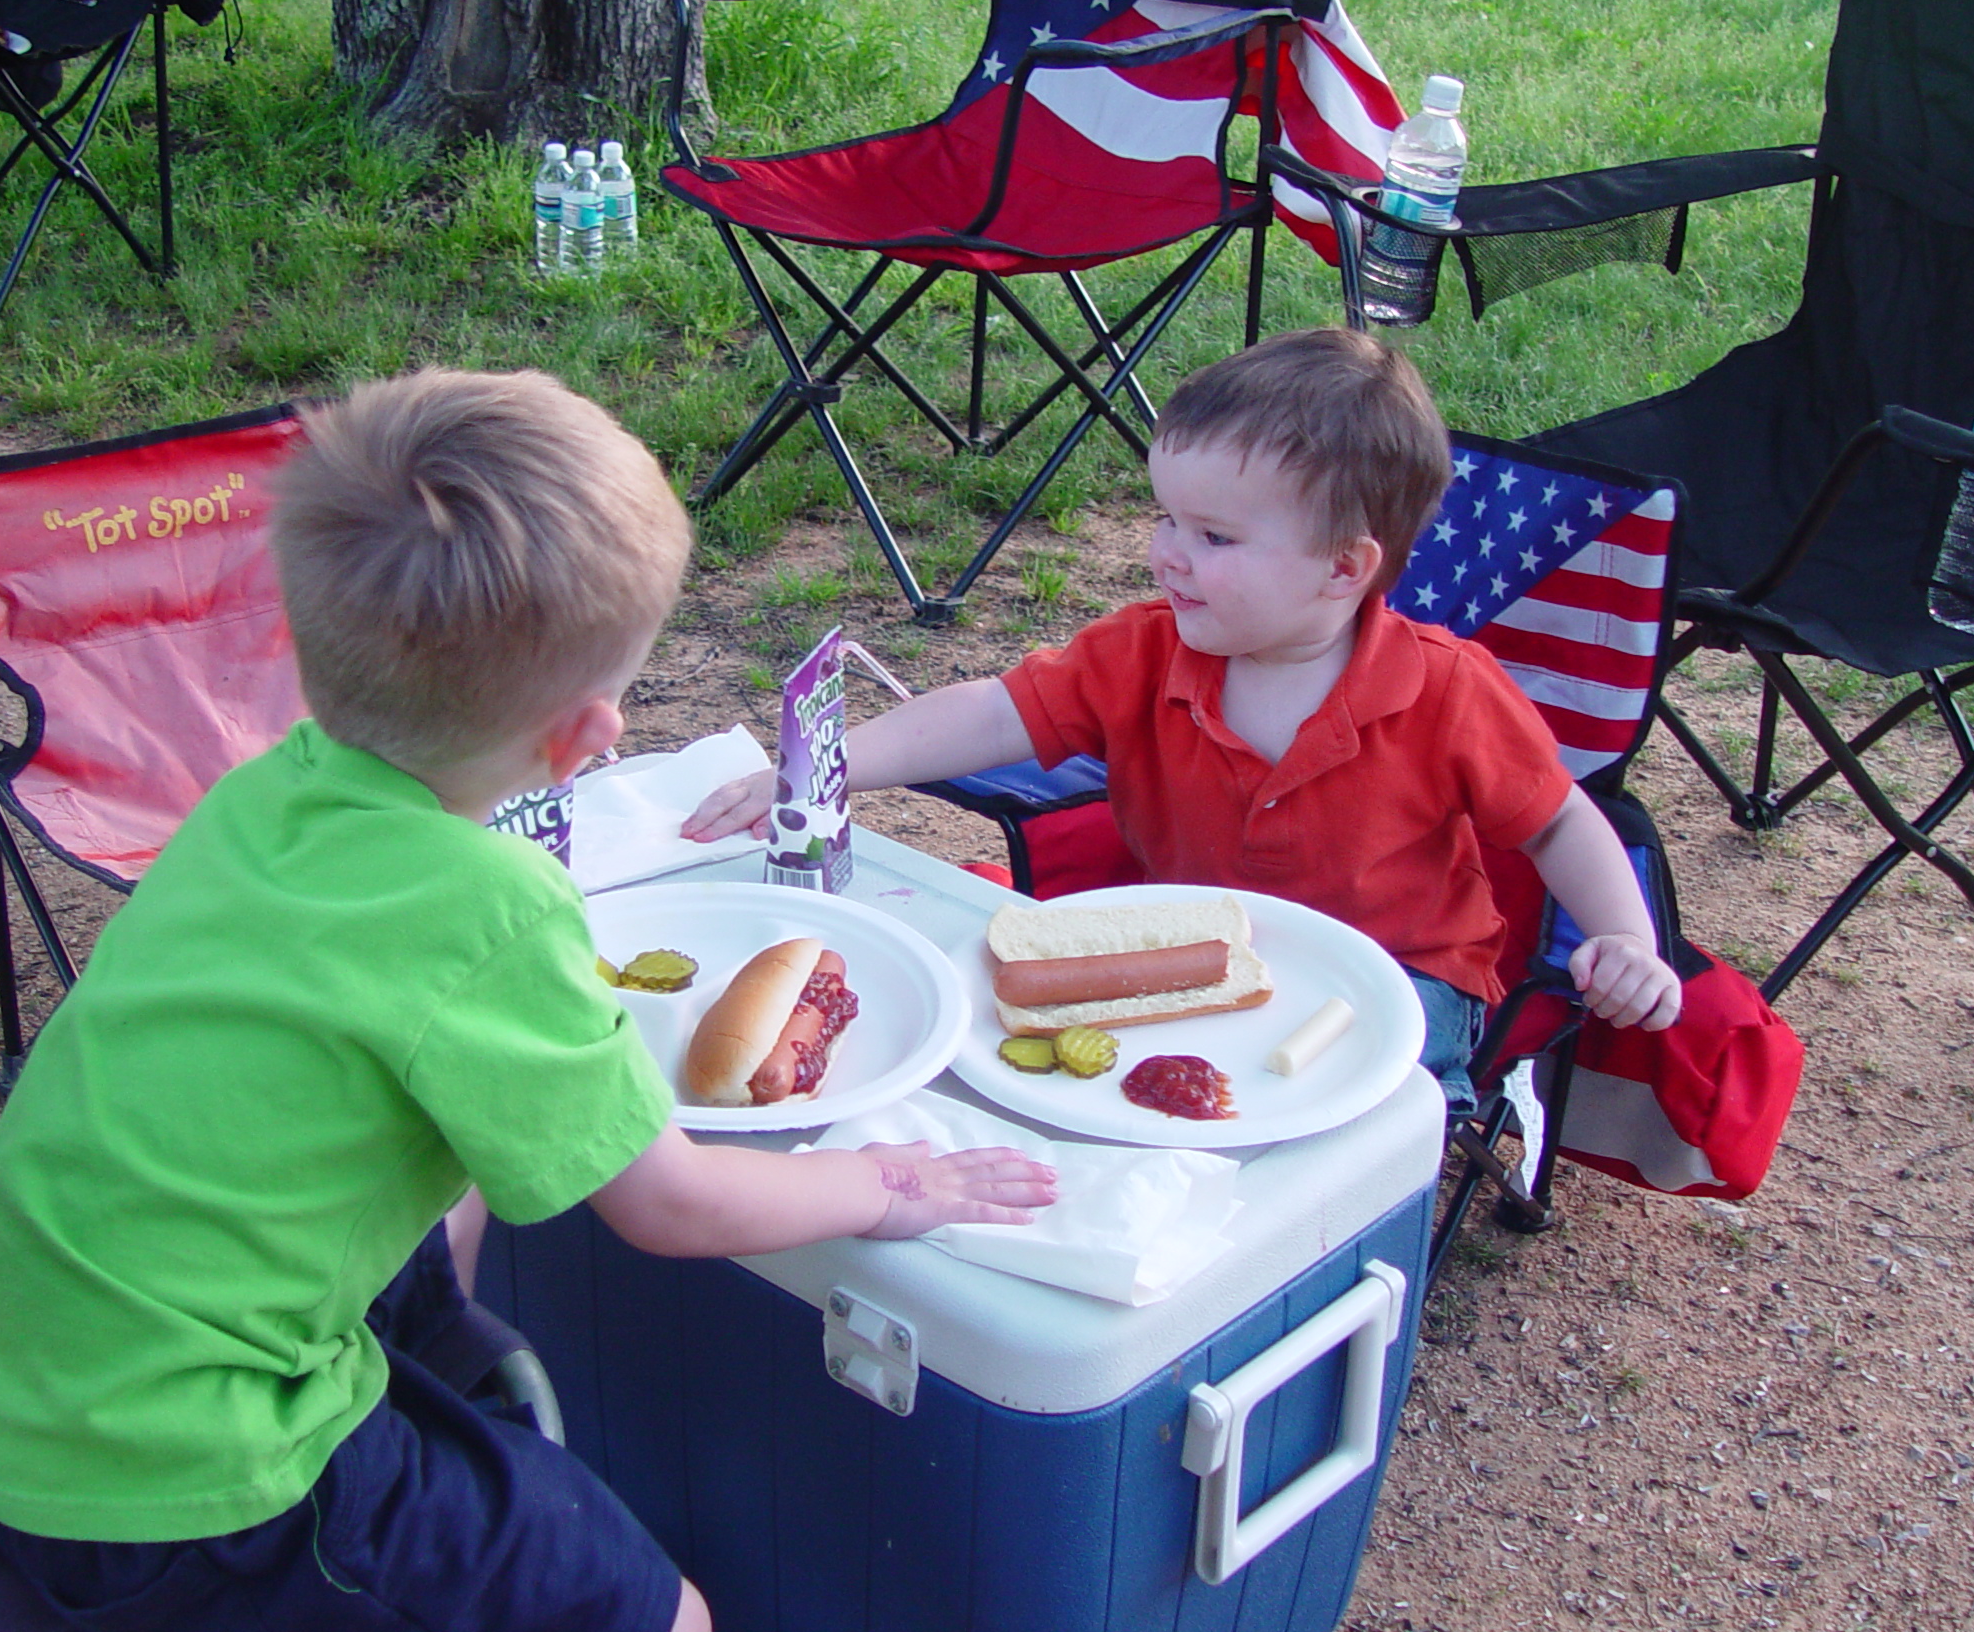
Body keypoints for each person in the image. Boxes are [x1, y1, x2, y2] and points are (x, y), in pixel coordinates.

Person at [0, 368, 1055, 1632]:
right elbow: (668, 1207)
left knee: (444, 1212)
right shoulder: (494, 910)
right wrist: (886, 1182)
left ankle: (446, 1411)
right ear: (587, 736)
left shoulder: (260, 796)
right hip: (163, 1483)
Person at [686, 327, 1681, 1109]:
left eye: (1211, 535)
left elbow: (1557, 823)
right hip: (1193, 963)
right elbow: (992, 716)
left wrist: (1625, 940)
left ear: (1343, 568)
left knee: (1356, 1126)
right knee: (1025, 1057)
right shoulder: (1148, 649)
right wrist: (820, 771)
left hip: (1393, 981)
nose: (1166, 553)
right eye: (1164, 517)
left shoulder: (1446, 690)